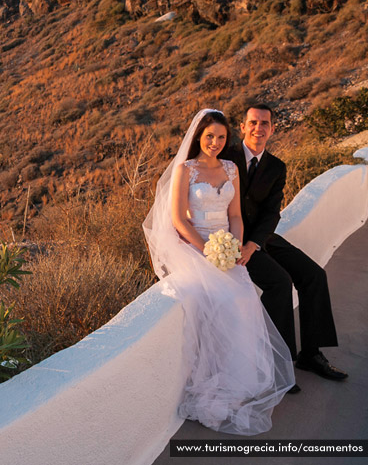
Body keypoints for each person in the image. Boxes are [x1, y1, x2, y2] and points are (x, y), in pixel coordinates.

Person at [144, 109, 295, 435]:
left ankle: (237, 381)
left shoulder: (230, 169)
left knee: (243, 300)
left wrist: (235, 247)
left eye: (221, 137)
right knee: (221, 301)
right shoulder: (186, 170)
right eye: (209, 136)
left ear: (228, 139)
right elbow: (180, 221)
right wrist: (209, 252)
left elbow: (236, 215)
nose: (215, 142)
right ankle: (213, 383)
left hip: (226, 247)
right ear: (199, 136)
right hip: (195, 247)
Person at [227, 104, 347, 384]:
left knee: (314, 275)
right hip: (231, 239)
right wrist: (239, 244)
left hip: (263, 237)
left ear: (273, 128)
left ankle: (311, 354)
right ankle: (279, 363)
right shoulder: (225, 156)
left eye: (265, 123)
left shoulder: (277, 167)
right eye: (253, 122)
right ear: (242, 126)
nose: (259, 128)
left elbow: (271, 211)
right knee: (279, 283)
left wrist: (255, 242)